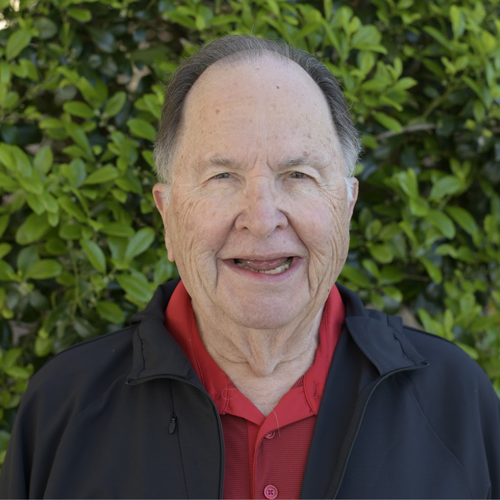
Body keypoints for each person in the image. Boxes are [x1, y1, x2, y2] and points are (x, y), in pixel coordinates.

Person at [0, 34, 499, 499]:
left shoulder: (456, 401)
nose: (261, 220)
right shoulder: (61, 409)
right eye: (222, 176)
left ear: (346, 208)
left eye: (297, 174)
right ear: (168, 216)